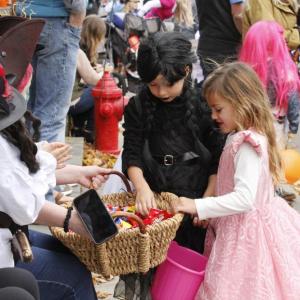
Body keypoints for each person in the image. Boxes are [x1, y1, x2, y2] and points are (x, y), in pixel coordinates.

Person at [172, 61, 300, 300]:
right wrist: (211, 212)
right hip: (246, 226)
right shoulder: (239, 136)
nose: (213, 116)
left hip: (247, 238)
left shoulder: (246, 145)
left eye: (218, 109)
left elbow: (244, 198)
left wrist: (197, 204)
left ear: (242, 103)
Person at [115, 31, 224, 299]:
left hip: (193, 193)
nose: (161, 92)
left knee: (183, 275)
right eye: (153, 85)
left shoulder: (203, 104)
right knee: (149, 268)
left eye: (167, 84)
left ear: (186, 70)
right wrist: (141, 188)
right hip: (154, 195)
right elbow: (132, 153)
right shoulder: (139, 106)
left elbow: (218, 157)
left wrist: (207, 201)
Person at [0, 64, 111, 300]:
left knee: (70, 254)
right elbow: (25, 205)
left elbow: (20, 173)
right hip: (5, 250)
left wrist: (77, 173)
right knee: (75, 277)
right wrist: (71, 220)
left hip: (12, 233)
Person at [16, 0, 87, 142]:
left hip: (27, 17)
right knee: (51, 116)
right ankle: (45, 163)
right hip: (57, 21)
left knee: (32, 111)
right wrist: (78, 13)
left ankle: (32, 160)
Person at [239, 20, 300, 149]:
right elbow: (293, 100)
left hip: (250, 126)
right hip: (275, 126)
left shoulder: (246, 70)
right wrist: (293, 127)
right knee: (274, 160)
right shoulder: (284, 70)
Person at [69, 15, 107, 143]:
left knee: (89, 92)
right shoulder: (79, 51)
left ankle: (78, 131)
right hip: (70, 102)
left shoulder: (75, 45)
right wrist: (103, 73)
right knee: (100, 90)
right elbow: (94, 80)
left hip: (64, 98)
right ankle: (90, 132)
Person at [195, 0, 244, 79]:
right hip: (230, 48)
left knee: (212, 87)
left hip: (207, 45)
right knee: (233, 88)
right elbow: (238, 15)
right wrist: (247, 36)